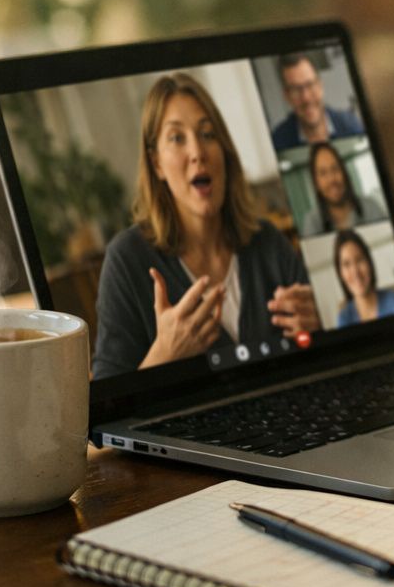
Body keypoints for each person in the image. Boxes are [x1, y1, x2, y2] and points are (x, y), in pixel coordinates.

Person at [95, 73, 322, 378]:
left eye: (207, 134)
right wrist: (165, 355)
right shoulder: (126, 260)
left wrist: (320, 327)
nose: (197, 153)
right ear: (157, 163)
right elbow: (108, 398)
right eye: (177, 138)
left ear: (224, 151)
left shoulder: (268, 241)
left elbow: (320, 357)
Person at [270, 53, 364, 150]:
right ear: (286, 96)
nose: (306, 97)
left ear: (320, 86)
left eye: (310, 84)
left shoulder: (351, 127)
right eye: (296, 89)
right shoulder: (278, 142)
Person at [296, 141, 388, 237]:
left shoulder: (371, 208)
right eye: (323, 173)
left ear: (344, 173)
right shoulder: (312, 223)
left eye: (335, 168)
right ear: (316, 184)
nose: (332, 179)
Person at [332, 229, 394, 328]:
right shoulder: (344, 318)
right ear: (340, 274)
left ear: (369, 264)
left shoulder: (393, 301)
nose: (355, 272)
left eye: (359, 260)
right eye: (346, 264)